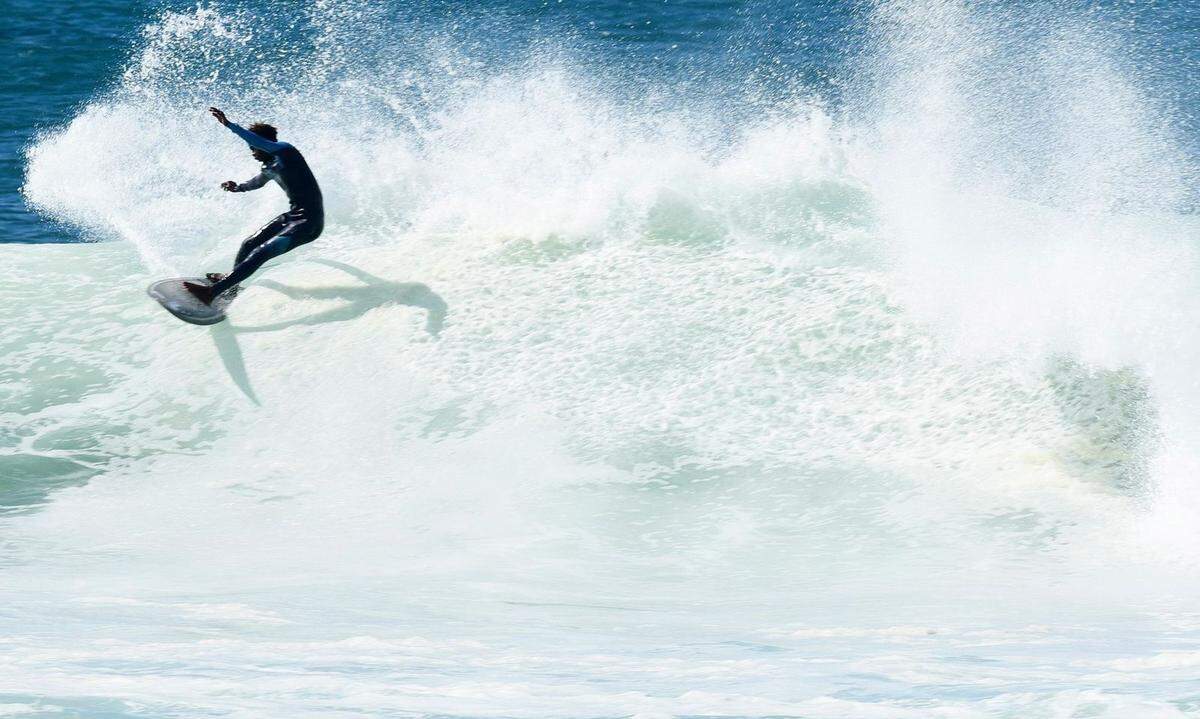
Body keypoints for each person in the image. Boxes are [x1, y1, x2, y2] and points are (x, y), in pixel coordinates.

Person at [183, 107, 324, 305]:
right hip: (293, 217)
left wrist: (229, 125)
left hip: (309, 224)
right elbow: (255, 183)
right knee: (248, 244)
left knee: (262, 252)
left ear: (264, 144)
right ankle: (231, 287)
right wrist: (237, 188)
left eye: (253, 146)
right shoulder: (269, 167)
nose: (252, 151)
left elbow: (255, 140)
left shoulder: (286, 151)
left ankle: (211, 293)